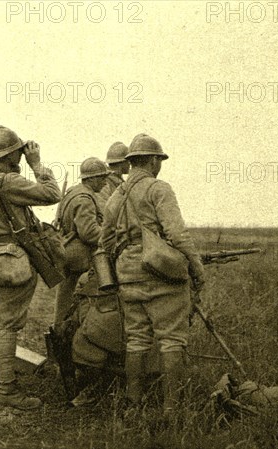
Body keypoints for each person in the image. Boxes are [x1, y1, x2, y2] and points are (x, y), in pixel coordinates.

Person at [99, 134, 206, 417]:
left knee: (136, 339)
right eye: (159, 160)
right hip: (159, 273)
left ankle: (133, 406)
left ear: (131, 162)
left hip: (127, 275)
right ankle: (173, 410)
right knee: (172, 340)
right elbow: (177, 235)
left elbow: (105, 243)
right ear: (154, 161)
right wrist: (196, 269)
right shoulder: (159, 189)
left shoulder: (115, 197)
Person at [0, 125, 61, 410]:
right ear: (13, 155)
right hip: (11, 260)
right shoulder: (8, 180)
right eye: (20, 154)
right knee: (8, 326)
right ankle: (6, 391)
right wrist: (37, 165)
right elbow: (52, 193)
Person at [53, 157, 110, 326]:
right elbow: (89, 233)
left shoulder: (74, 192)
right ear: (91, 179)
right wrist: (111, 236)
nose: (105, 182)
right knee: (79, 302)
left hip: (67, 251)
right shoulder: (84, 198)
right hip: (79, 258)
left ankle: (60, 334)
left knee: (64, 299)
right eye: (101, 178)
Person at [95, 141, 129, 207]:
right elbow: (103, 209)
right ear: (121, 163)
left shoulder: (117, 181)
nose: (129, 164)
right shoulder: (105, 184)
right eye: (127, 161)